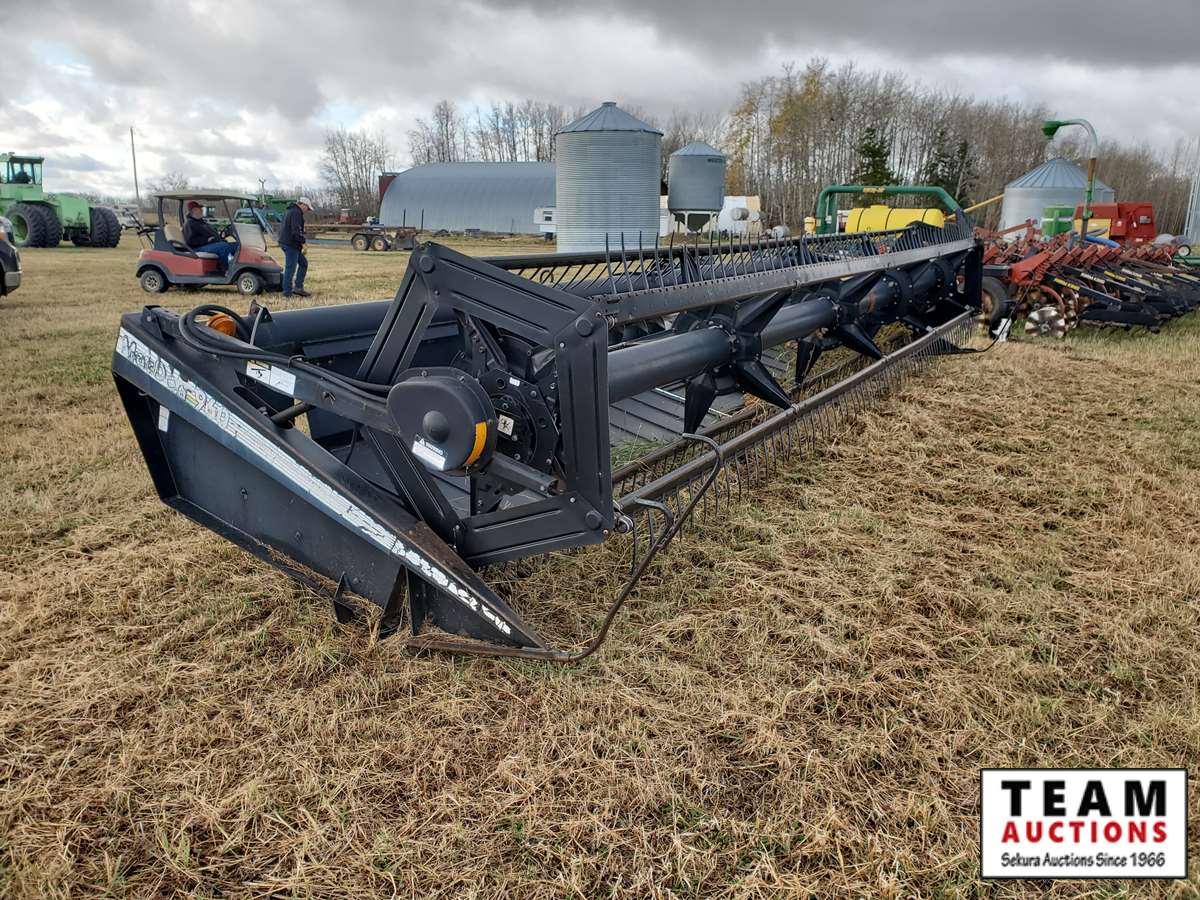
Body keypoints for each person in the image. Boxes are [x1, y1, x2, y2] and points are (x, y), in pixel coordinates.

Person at [182, 201, 237, 271]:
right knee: (224, 247)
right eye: (200, 209)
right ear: (194, 210)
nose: (202, 210)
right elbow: (189, 241)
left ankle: (237, 266)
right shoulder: (189, 223)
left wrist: (219, 236)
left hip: (209, 244)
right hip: (197, 248)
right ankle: (226, 270)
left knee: (237, 246)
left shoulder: (201, 222)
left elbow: (211, 233)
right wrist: (207, 240)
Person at [278, 197, 312, 298]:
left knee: (303, 263)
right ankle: (287, 293)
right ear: (303, 205)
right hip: (291, 244)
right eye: (307, 208)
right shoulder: (296, 213)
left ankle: (298, 287)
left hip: (287, 242)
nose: (307, 210)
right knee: (290, 268)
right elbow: (296, 231)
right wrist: (303, 242)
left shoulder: (289, 211)